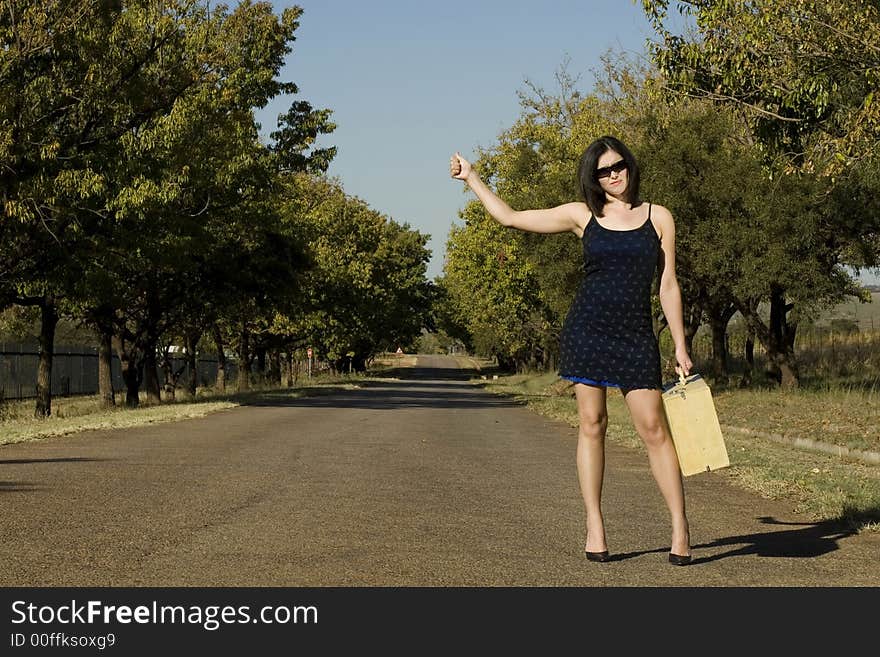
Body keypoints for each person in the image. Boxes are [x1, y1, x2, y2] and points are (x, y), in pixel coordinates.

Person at [449, 136, 694, 565]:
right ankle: (595, 526)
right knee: (591, 423)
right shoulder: (583, 216)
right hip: (588, 330)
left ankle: (680, 528)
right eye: (602, 171)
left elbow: (668, 283)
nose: (613, 174)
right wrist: (473, 178)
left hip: (636, 335)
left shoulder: (660, 218)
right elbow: (510, 218)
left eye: (618, 166)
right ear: (593, 178)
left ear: (630, 166)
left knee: (654, 429)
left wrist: (680, 342)